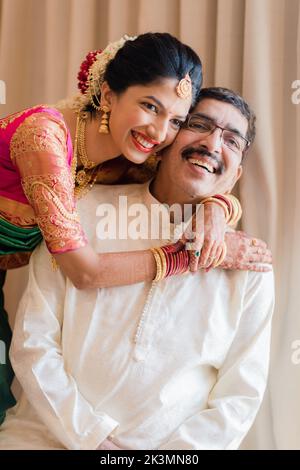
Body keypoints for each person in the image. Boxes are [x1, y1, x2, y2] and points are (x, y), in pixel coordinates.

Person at [0, 87, 274, 450]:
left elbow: (238, 399)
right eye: (199, 125)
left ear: (236, 174)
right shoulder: (81, 210)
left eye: (231, 140)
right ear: (166, 140)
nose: (211, 143)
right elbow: (33, 343)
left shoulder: (249, 266)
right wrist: (93, 441)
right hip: (43, 436)